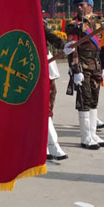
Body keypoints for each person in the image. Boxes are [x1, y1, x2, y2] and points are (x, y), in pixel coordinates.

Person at [63, 0, 104, 150]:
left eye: (82, 5)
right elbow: (72, 49)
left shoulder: (98, 22)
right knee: (84, 100)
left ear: (90, 5)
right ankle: (85, 136)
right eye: (77, 6)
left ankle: (93, 133)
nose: (80, 8)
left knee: (94, 100)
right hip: (82, 66)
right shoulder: (73, 25)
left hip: (95, 65)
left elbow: (102, 46)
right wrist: (76, 70)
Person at [44, 20, 68, 160]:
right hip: (27, 67)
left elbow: (50, 35)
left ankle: (46, 144)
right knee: (42, 108)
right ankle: (52, 145)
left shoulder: (37, 21)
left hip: (44, 64)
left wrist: (63, 45)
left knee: (50, 101)